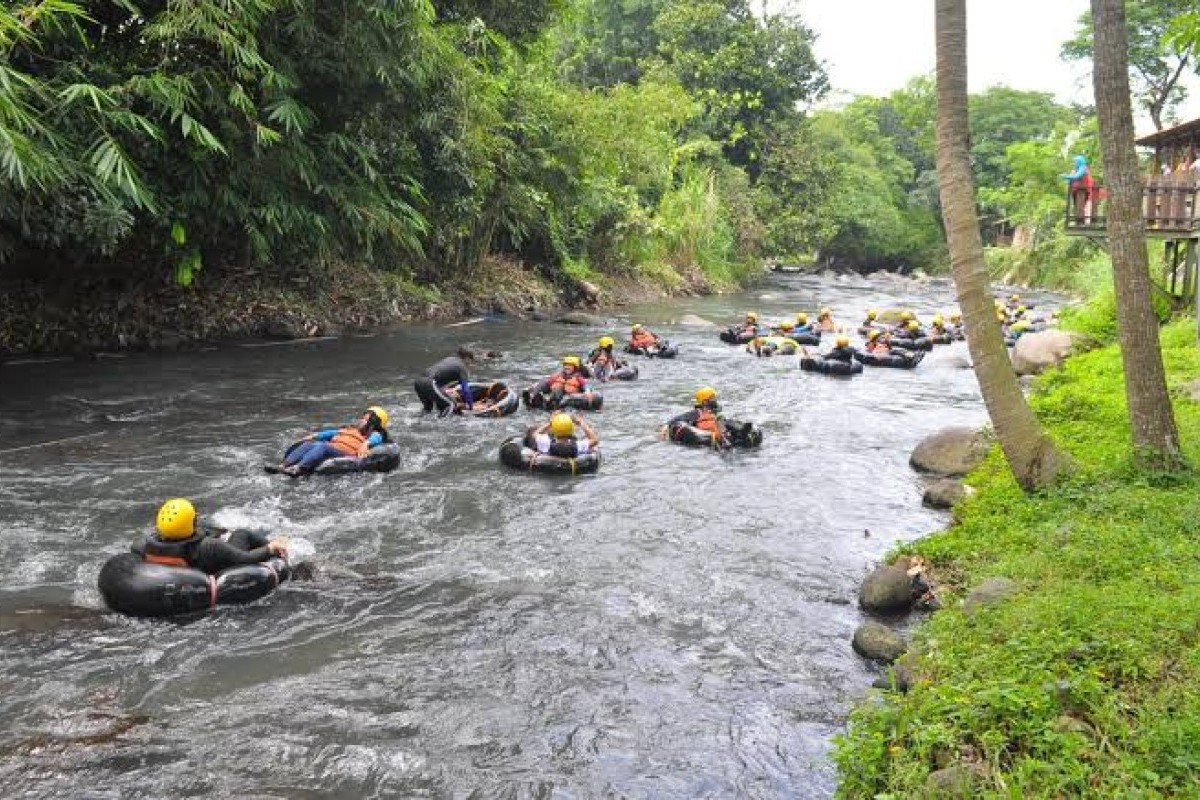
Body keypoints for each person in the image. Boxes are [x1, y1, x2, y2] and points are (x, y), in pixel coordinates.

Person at [138, 498, 288, 574]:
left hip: (190, 567)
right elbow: (245, 558)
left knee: (215, 531)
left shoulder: (146, 545)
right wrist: (270, 548)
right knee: (242, 533)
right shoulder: (209, 546)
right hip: (219, 568)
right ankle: (282, 553)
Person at [278, 407, 390, 476]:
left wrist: (366, 444)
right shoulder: (350, 429)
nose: (361, 420)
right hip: (333, 447)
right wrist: (314, 436)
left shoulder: (373, 434)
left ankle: (299, 468)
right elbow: (331, 433)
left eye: (365, 419)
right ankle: (284, 465)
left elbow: (376, 439)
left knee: (323, 447)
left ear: (373, 423)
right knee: (311, 444)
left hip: (346, 452)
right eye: (362, 418)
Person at [415, 347, 476, 415]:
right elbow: (466, 390)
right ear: (467, 358)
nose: (470, 363)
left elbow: (441, 378)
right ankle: (441, 424)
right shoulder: (462, 367)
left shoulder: (449, 359)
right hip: (430, 383)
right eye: (471, 360)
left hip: (418, 382)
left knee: (428, 409)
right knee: (450, 405)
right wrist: (471, 407)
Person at [530, 412, 599, 458]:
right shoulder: (578, 445)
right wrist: (581, 423)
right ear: (571, 430)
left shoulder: (545, 442)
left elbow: (534, 434)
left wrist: (550, 423)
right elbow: (595, 440)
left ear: (554, 429)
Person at [1061, 154, 1094, 224]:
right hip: (1077, 191)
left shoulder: (1083, 168)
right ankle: (1079, 220)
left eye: (1075, 162)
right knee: (1078, 206)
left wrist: (1065, 176)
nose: (1074, 163)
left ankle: (1081, 221)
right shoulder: (1078, 169)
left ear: (1079, 162)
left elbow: (1077, 177)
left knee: (1080, 206)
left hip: (1082, 191)